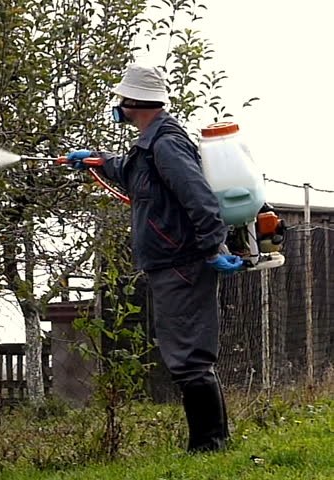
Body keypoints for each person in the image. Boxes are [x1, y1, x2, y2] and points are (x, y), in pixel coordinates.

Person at [66, 64, 242, 452]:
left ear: (134, 102)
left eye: (121, 99)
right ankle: (212, 442)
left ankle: (209, 445)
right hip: (172, 263)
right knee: (186, 352)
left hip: (182, 263)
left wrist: (212, 247)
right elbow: (133, 173)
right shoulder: (149, 145)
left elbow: (199, 198)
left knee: (189, 354)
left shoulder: (166, 144)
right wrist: (98, 160)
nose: (118, 104)